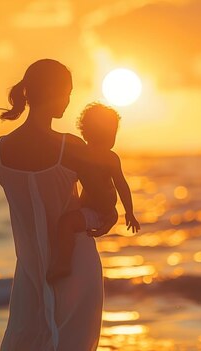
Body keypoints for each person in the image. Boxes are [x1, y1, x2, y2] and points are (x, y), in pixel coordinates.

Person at [0, 59, 115, 351]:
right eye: (68, 92)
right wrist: (101, 216)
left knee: (23, 342)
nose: (69, 100)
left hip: (30, 270)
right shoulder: (70, 147)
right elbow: (104, 207)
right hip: (75, 266)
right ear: (56, 93)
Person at [46, 103, 140, 283]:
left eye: (112, 135)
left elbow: (122, 185)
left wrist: (130, 211)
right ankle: (110, 217)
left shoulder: (109, 158)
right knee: (68, 216)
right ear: (87, 133)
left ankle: (63, 264)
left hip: (98, 212)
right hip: (92, 207)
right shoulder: (81, 154)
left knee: (66, 223)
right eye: (107, 135)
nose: (110, 140)